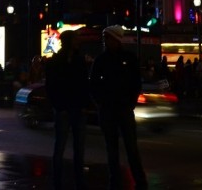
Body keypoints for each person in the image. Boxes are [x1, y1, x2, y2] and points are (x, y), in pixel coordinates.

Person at [88, 25, 147, 190]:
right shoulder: (106, 59)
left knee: (127, 149)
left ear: (116, 39)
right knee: (115, 149)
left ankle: (133, 182)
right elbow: (93, 85)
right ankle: (122, 182)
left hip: (119, 108)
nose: (105, 41)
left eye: (108, 38)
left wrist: (129, 102)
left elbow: (136, 82)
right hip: (112, 108)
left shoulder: (120, 58)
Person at [45, 29, 89, 190]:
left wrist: (59, 106)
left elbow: (53, 86)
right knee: (75, 147)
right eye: (76, 39)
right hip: (71, 107)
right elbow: (83, 85)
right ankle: (75, 181)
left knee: (63, 146)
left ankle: (59, 180)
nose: (78, 42)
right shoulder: (73, 60)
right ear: (70, 41)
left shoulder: (59, 60)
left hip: (68, 108)